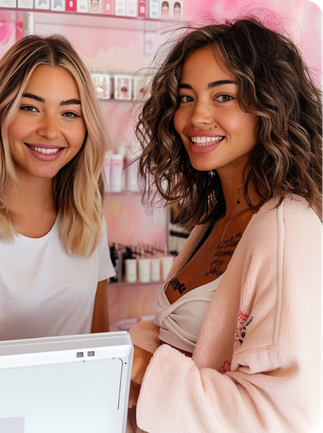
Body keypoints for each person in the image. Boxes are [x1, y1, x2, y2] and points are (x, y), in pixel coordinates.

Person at [128, 17, 323, 432]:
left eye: (224, 97)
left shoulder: (286, 229)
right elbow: (184, 336)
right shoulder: (216, 218)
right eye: (186, 97)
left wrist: (146, 368)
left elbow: (283, 417)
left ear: (271, 105)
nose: (197, 116)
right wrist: (126, 352)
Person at [0, 34, 115, 346]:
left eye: (69, 113)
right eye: (29, 108)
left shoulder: (88, 217)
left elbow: (99, 348)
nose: (51, 131)